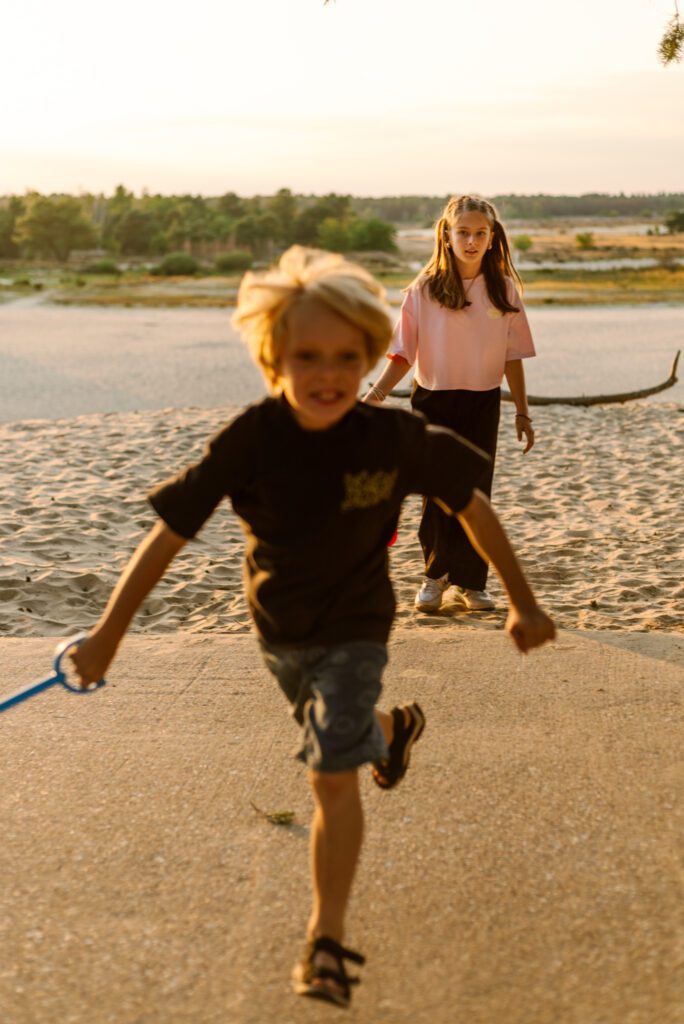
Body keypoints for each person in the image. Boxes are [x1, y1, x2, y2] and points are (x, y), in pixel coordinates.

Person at [70, 246, 555, 1009]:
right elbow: (167, 535)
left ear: (369, 357)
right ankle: (391, 730)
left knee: (329, 770)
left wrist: (523, 602)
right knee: (346, 731)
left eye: (345, 357)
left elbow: (471, 503)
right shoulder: (253, 438)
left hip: (359, 626)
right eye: (306, 357)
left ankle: (324, 940)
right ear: (273, 360)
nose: (327, 374)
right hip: (279, 632)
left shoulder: (390, 439)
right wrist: (107, 635)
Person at [365, 194, 536, 615]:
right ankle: (434, 576)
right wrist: (375, 397)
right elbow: (403, 354)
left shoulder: (505, 290)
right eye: (463, 233)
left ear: (493, 238)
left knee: (476, 492)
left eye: (480, 233)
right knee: (437, 492)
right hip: (433, 402)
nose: (472, 240)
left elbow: (513, 356)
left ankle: (471, 583)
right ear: (447, 234)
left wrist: (522, 410)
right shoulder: (423, 290)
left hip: (483, 401)